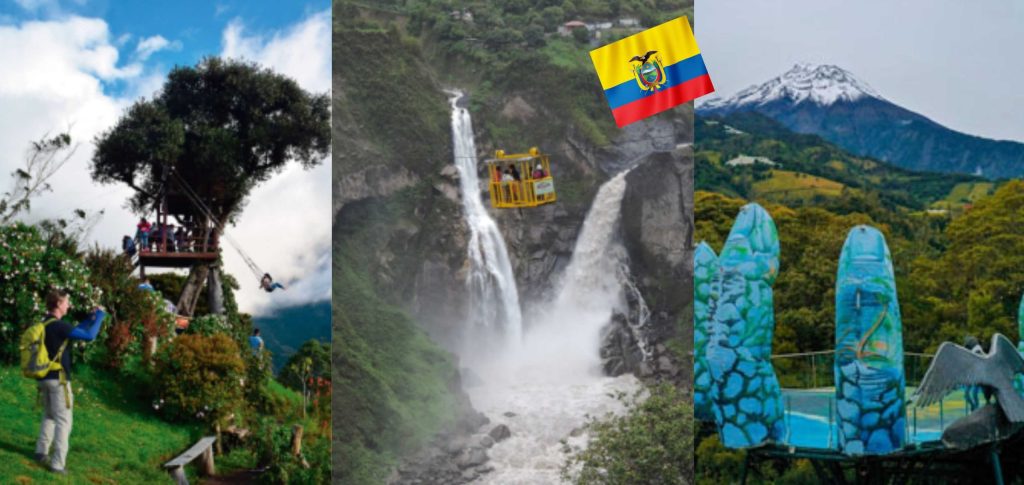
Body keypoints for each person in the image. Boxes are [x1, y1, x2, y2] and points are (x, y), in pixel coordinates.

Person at [34, 289, 105, 474]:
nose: (68, 305)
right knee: (64, 421)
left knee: (49, 416)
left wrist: (90, 319)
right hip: (59, 381)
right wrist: (100, 317)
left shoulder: (46, 323)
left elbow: (76, 331)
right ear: (58, 304)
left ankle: (41, 452)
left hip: (44, 378)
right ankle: (57, 464)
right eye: (66, 302)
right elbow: (89, 336)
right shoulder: (60, 326)